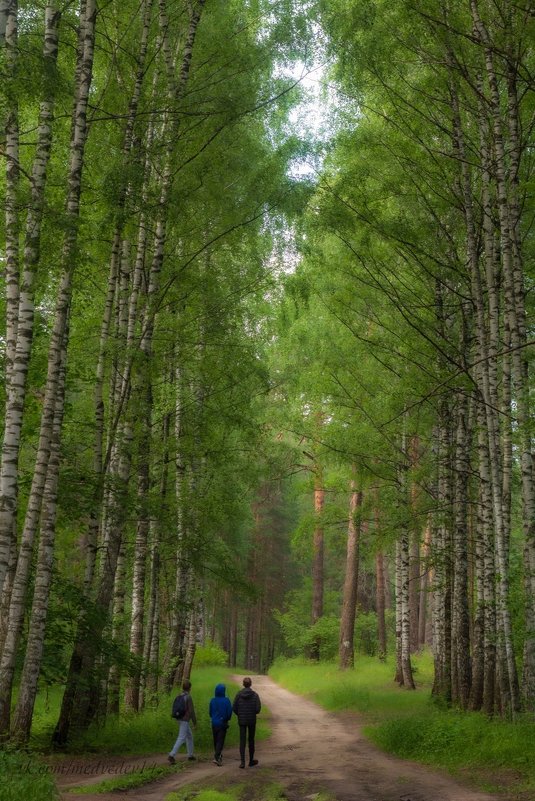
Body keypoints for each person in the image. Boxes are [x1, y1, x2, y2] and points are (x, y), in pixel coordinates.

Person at [233, 676, 261, 768]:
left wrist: (240, 714)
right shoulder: (255, 695)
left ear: (243, 684)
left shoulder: (238, 694)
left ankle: (242, 762)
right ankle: (251, 760)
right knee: (251, 740)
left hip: (242, 720)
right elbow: (257, 709)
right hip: (252, 720)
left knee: (242, 741)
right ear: (251, 684)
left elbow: (234, 708)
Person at [168, 679, 197, 764]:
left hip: (179, 718)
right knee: (181, 738)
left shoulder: (179, 695)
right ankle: (171, 755)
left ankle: (190, 755)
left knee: (189, 736)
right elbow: (191, 711)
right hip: (185, 720)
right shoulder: (188, 697)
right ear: (190, 688)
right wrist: (195, 722)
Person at [209, 683, 233, 766]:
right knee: (220, 740)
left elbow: (210, 713)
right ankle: (217, 756)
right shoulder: (227, 700)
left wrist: (214, 717)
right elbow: (229, 712)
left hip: (214, 723)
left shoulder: (212, 700)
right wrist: (227, 718)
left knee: (216, 740)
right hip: (223, 723)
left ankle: (218, 755)